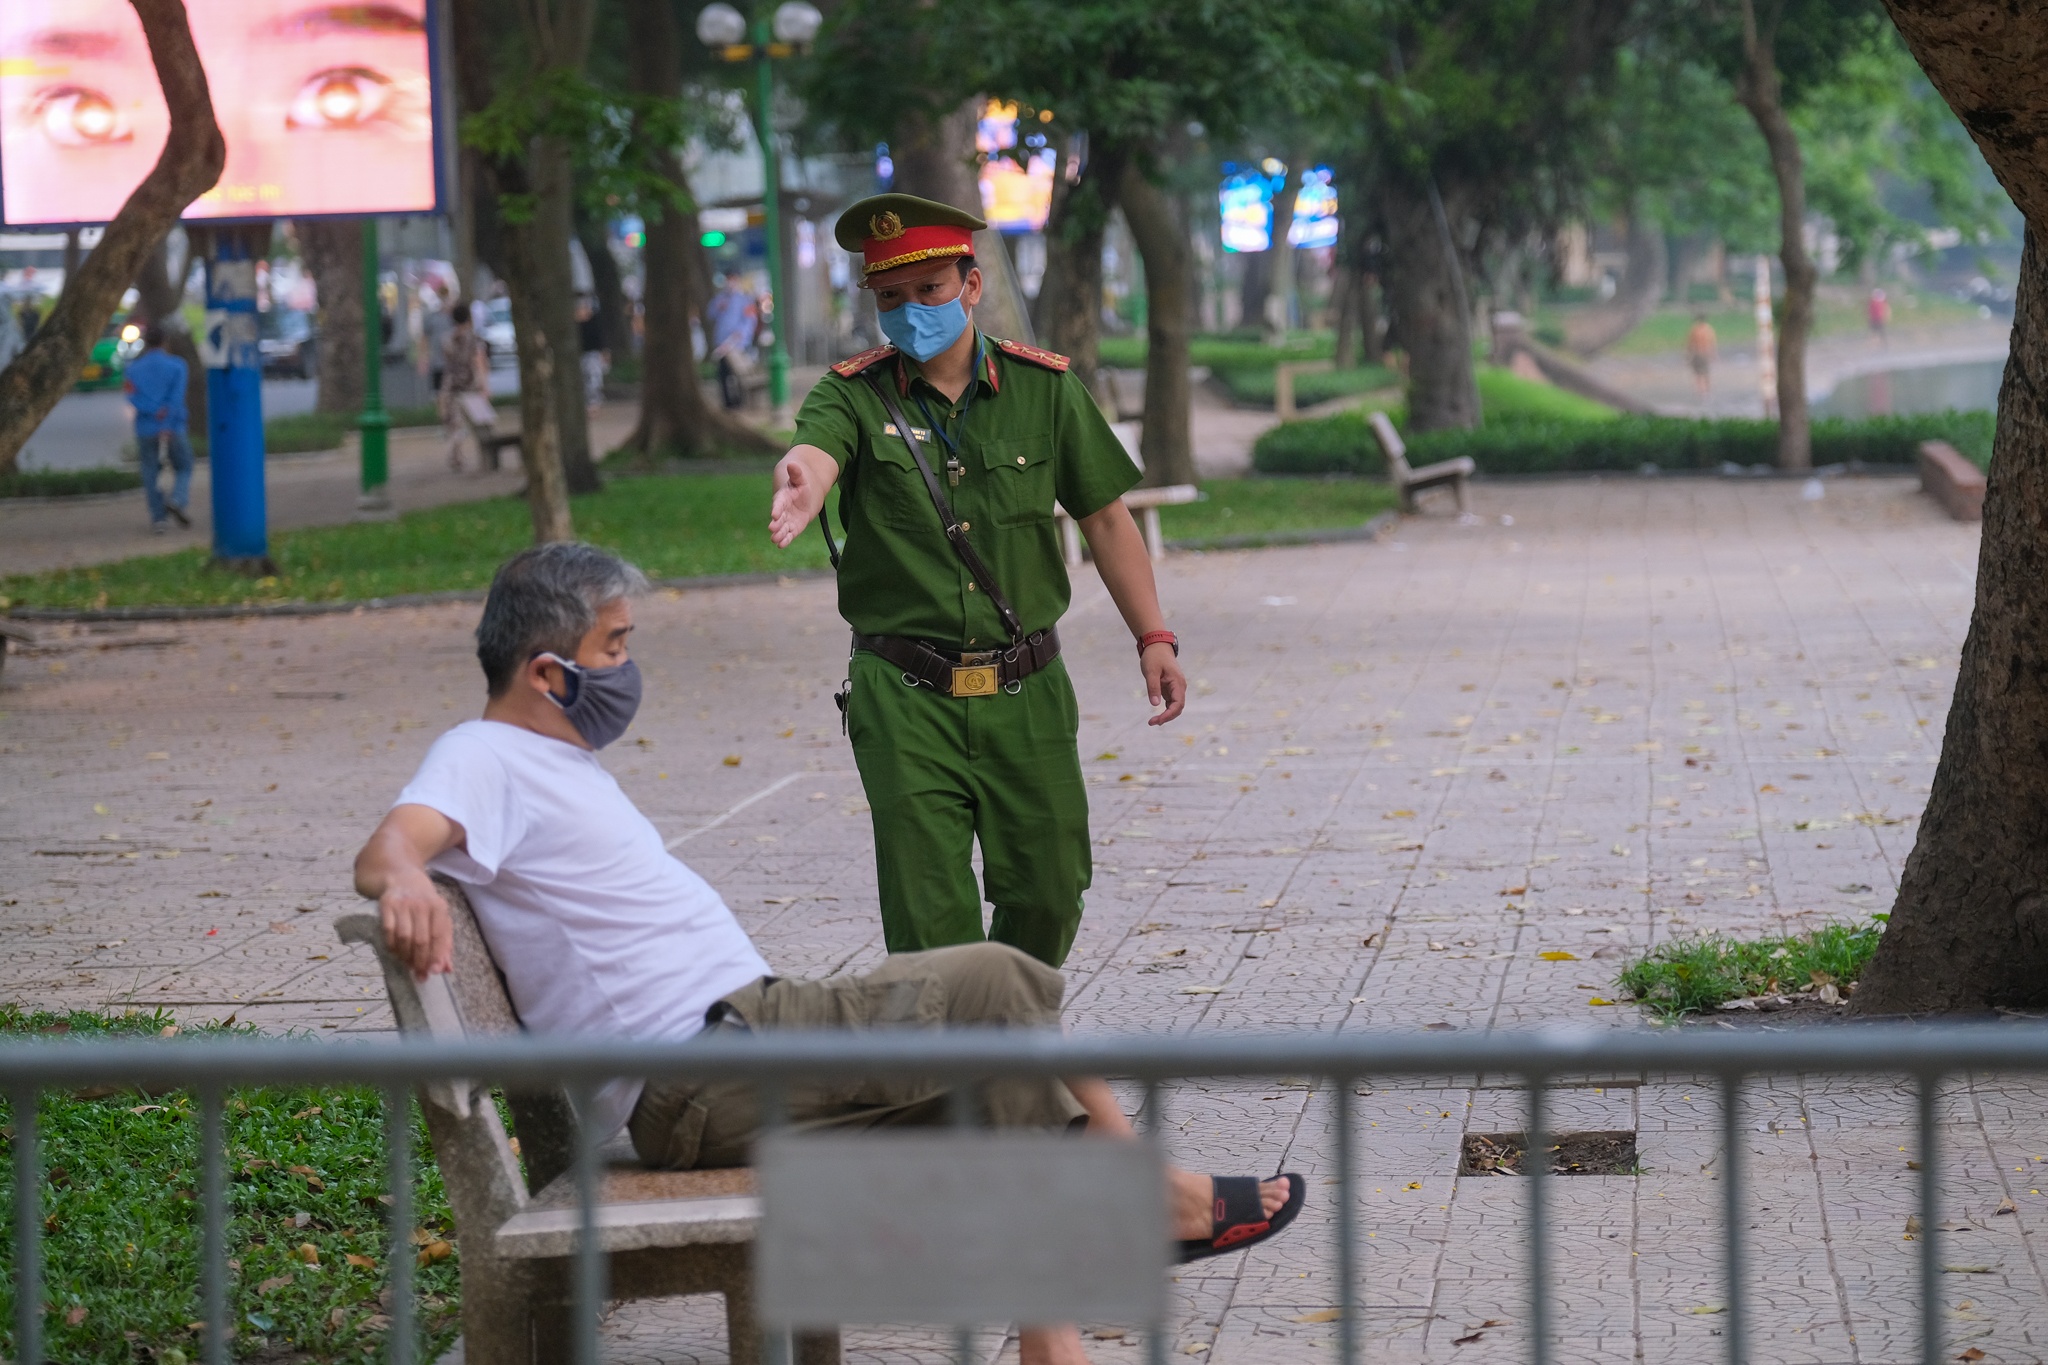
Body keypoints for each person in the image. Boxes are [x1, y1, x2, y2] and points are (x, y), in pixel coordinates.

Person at [353, 544, 1303, 1365]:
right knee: (993, 979)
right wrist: (402, 878)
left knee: (998, 1040)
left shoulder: (556, 763)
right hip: (704, 1069)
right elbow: (392, 840)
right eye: (615, 646)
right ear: (547, 670)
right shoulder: (485, 754)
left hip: (748, 1036)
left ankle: (1064, 1317)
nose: (629, 666)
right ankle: (1144, 1208)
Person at [768, 193, 1187, 970]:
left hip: (1025, 688)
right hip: (904, 695)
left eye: (928, 290)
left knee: (1051, 889)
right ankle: (970, 1070)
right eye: (890, 297)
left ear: (970, 285)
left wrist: (1153, 636)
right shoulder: (852, 395)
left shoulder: (1043, 389)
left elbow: (1104, 519)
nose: (910, 310)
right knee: (930, 917)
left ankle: (998, 1029)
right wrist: (807, 477)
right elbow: (818, 448)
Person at [123, 323, 193, 532]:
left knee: (150, 471)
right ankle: (178, 500)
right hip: (173, 427)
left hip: (145, 427)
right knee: (184, 466)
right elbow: (177, 397)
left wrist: (151, 410)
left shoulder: (132, 369)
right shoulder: (178, 366)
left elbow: (131, 397)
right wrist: (166, 418)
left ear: (145, 343)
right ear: (165, 342)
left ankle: (158, 519)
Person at [438, 302, 490, 473]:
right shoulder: (474, 339)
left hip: (451, 385)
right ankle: (488, 459)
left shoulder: (447, 339)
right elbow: (479, 361)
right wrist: (484, 385)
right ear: (469, 317)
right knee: (483, 422)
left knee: (455, 423)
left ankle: (455, 455)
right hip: (470, 384)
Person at [706, 274, 758, 410]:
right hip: (722, 343)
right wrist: (718, 307)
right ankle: (728, 403)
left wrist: (741, 333)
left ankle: (739, 401)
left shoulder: (744, 299)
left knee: (739, 373)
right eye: (728, 280)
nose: (730, 283)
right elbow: (710, 314)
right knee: (723, 374)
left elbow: (750, 320)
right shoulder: (720, 298)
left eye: (733, 280)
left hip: (737, 345)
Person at [576, 296, 608, 413]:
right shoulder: (575, 325)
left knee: (594, 379)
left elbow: (600, 339)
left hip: (593, 354)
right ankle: (587, 403)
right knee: (584, 379)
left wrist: (604, 352)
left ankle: (595, 403)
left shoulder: (595, 321)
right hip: (581, 355)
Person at [1685, 312, 1717, 398]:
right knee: (1706, 373)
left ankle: (1701, 392)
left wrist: (1688, 355)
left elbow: (1690, 343)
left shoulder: (1694, 329)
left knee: (1698, 374)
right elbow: (1712, 343)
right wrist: (1714, 355)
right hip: (1706, 353)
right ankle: (1708, 391)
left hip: (1697, 354)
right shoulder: (1709, 329)